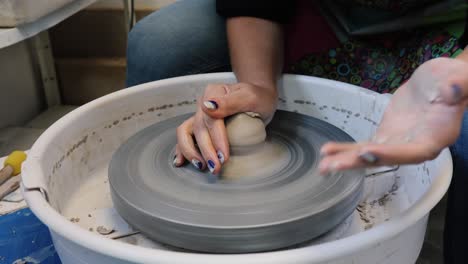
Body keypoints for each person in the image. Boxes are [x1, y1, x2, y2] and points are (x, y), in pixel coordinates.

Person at [126, 0, 468, 262]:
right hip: (317, 11)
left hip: (447, 25)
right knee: (159, 47)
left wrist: (459, 77)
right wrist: (257, 84)